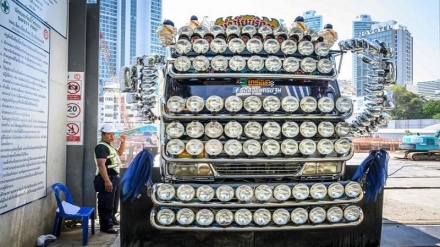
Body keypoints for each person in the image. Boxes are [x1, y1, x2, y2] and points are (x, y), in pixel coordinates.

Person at [93, 123, 126, 234]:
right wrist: (107, 180)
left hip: (113, 178)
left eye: (113, 134)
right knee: (106, 203)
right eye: (109, 134)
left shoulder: (109, 146)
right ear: (102, 135)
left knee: (113, 202)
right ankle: (106, 226)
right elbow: (101, 165)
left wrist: (122, 142)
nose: (112, 137)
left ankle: (112, 220)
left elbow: (119, 153)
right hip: (106, 179)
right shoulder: (101, 147)